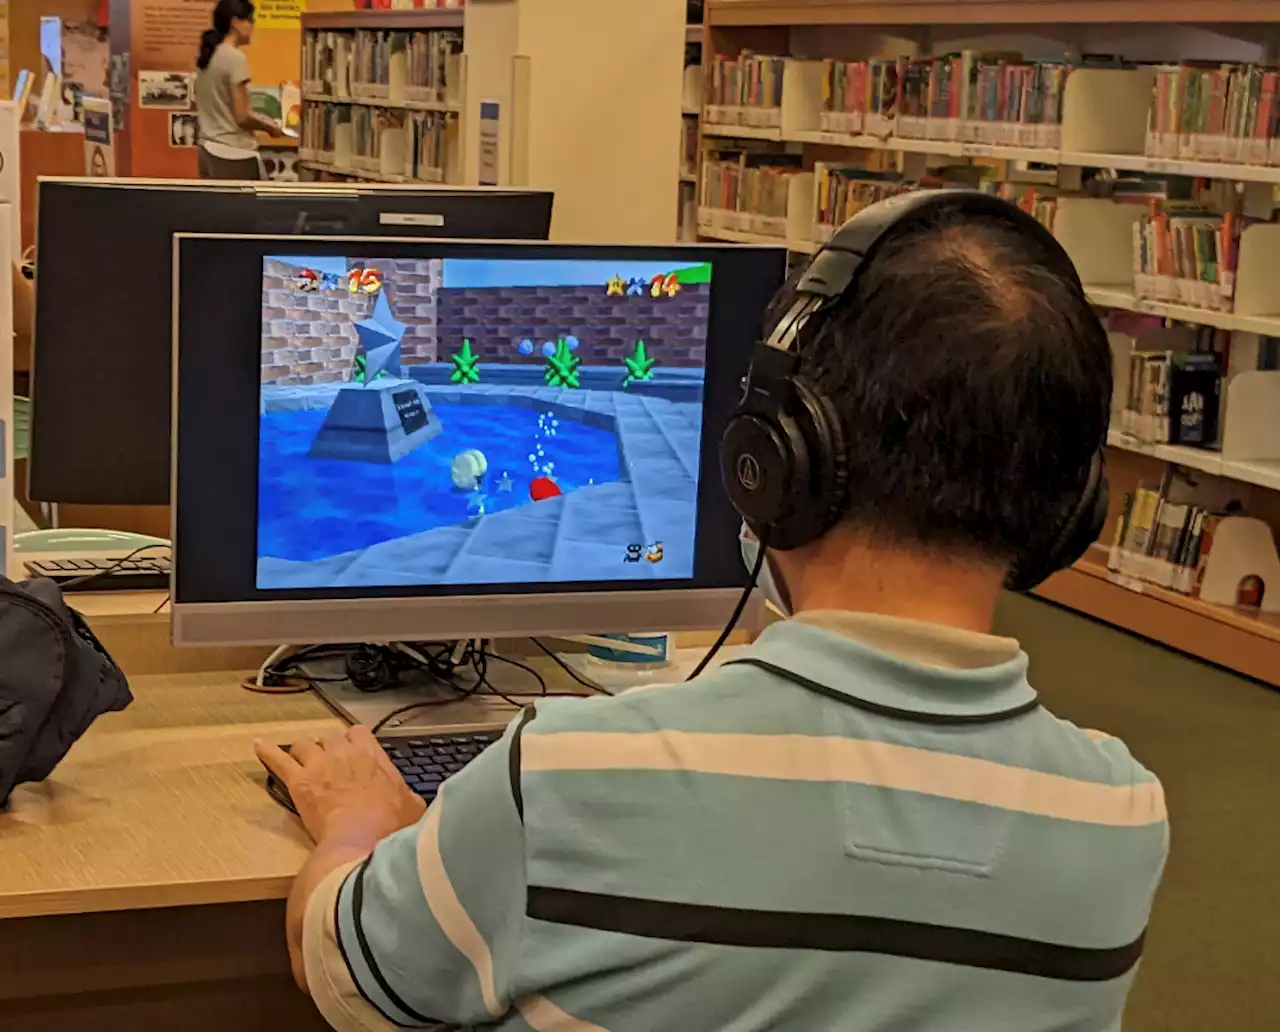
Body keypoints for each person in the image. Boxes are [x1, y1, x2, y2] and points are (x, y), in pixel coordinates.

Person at [257, 192, 1170, 1032]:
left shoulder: (578, 773)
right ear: (1068, 505)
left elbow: (343, 970)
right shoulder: (1120, 817)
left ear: (773, 459)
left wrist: (353, 825)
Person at [193, 0, 281, 179]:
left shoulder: (207, 57)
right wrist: (269, 127)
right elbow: (242, 117)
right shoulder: (234, 58)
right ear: (235, 23)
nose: (253, 25)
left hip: (208, 151)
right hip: (234, 155)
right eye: (250, 20)